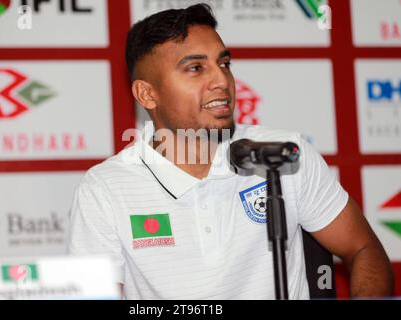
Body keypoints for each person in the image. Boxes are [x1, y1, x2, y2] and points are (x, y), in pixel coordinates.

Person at [68, 4, 393, 299]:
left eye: (224, 63)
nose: (221, 80)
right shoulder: (105, 189)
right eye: (195, 68)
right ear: (146, 94)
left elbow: (364, 249)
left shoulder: (283, 155)